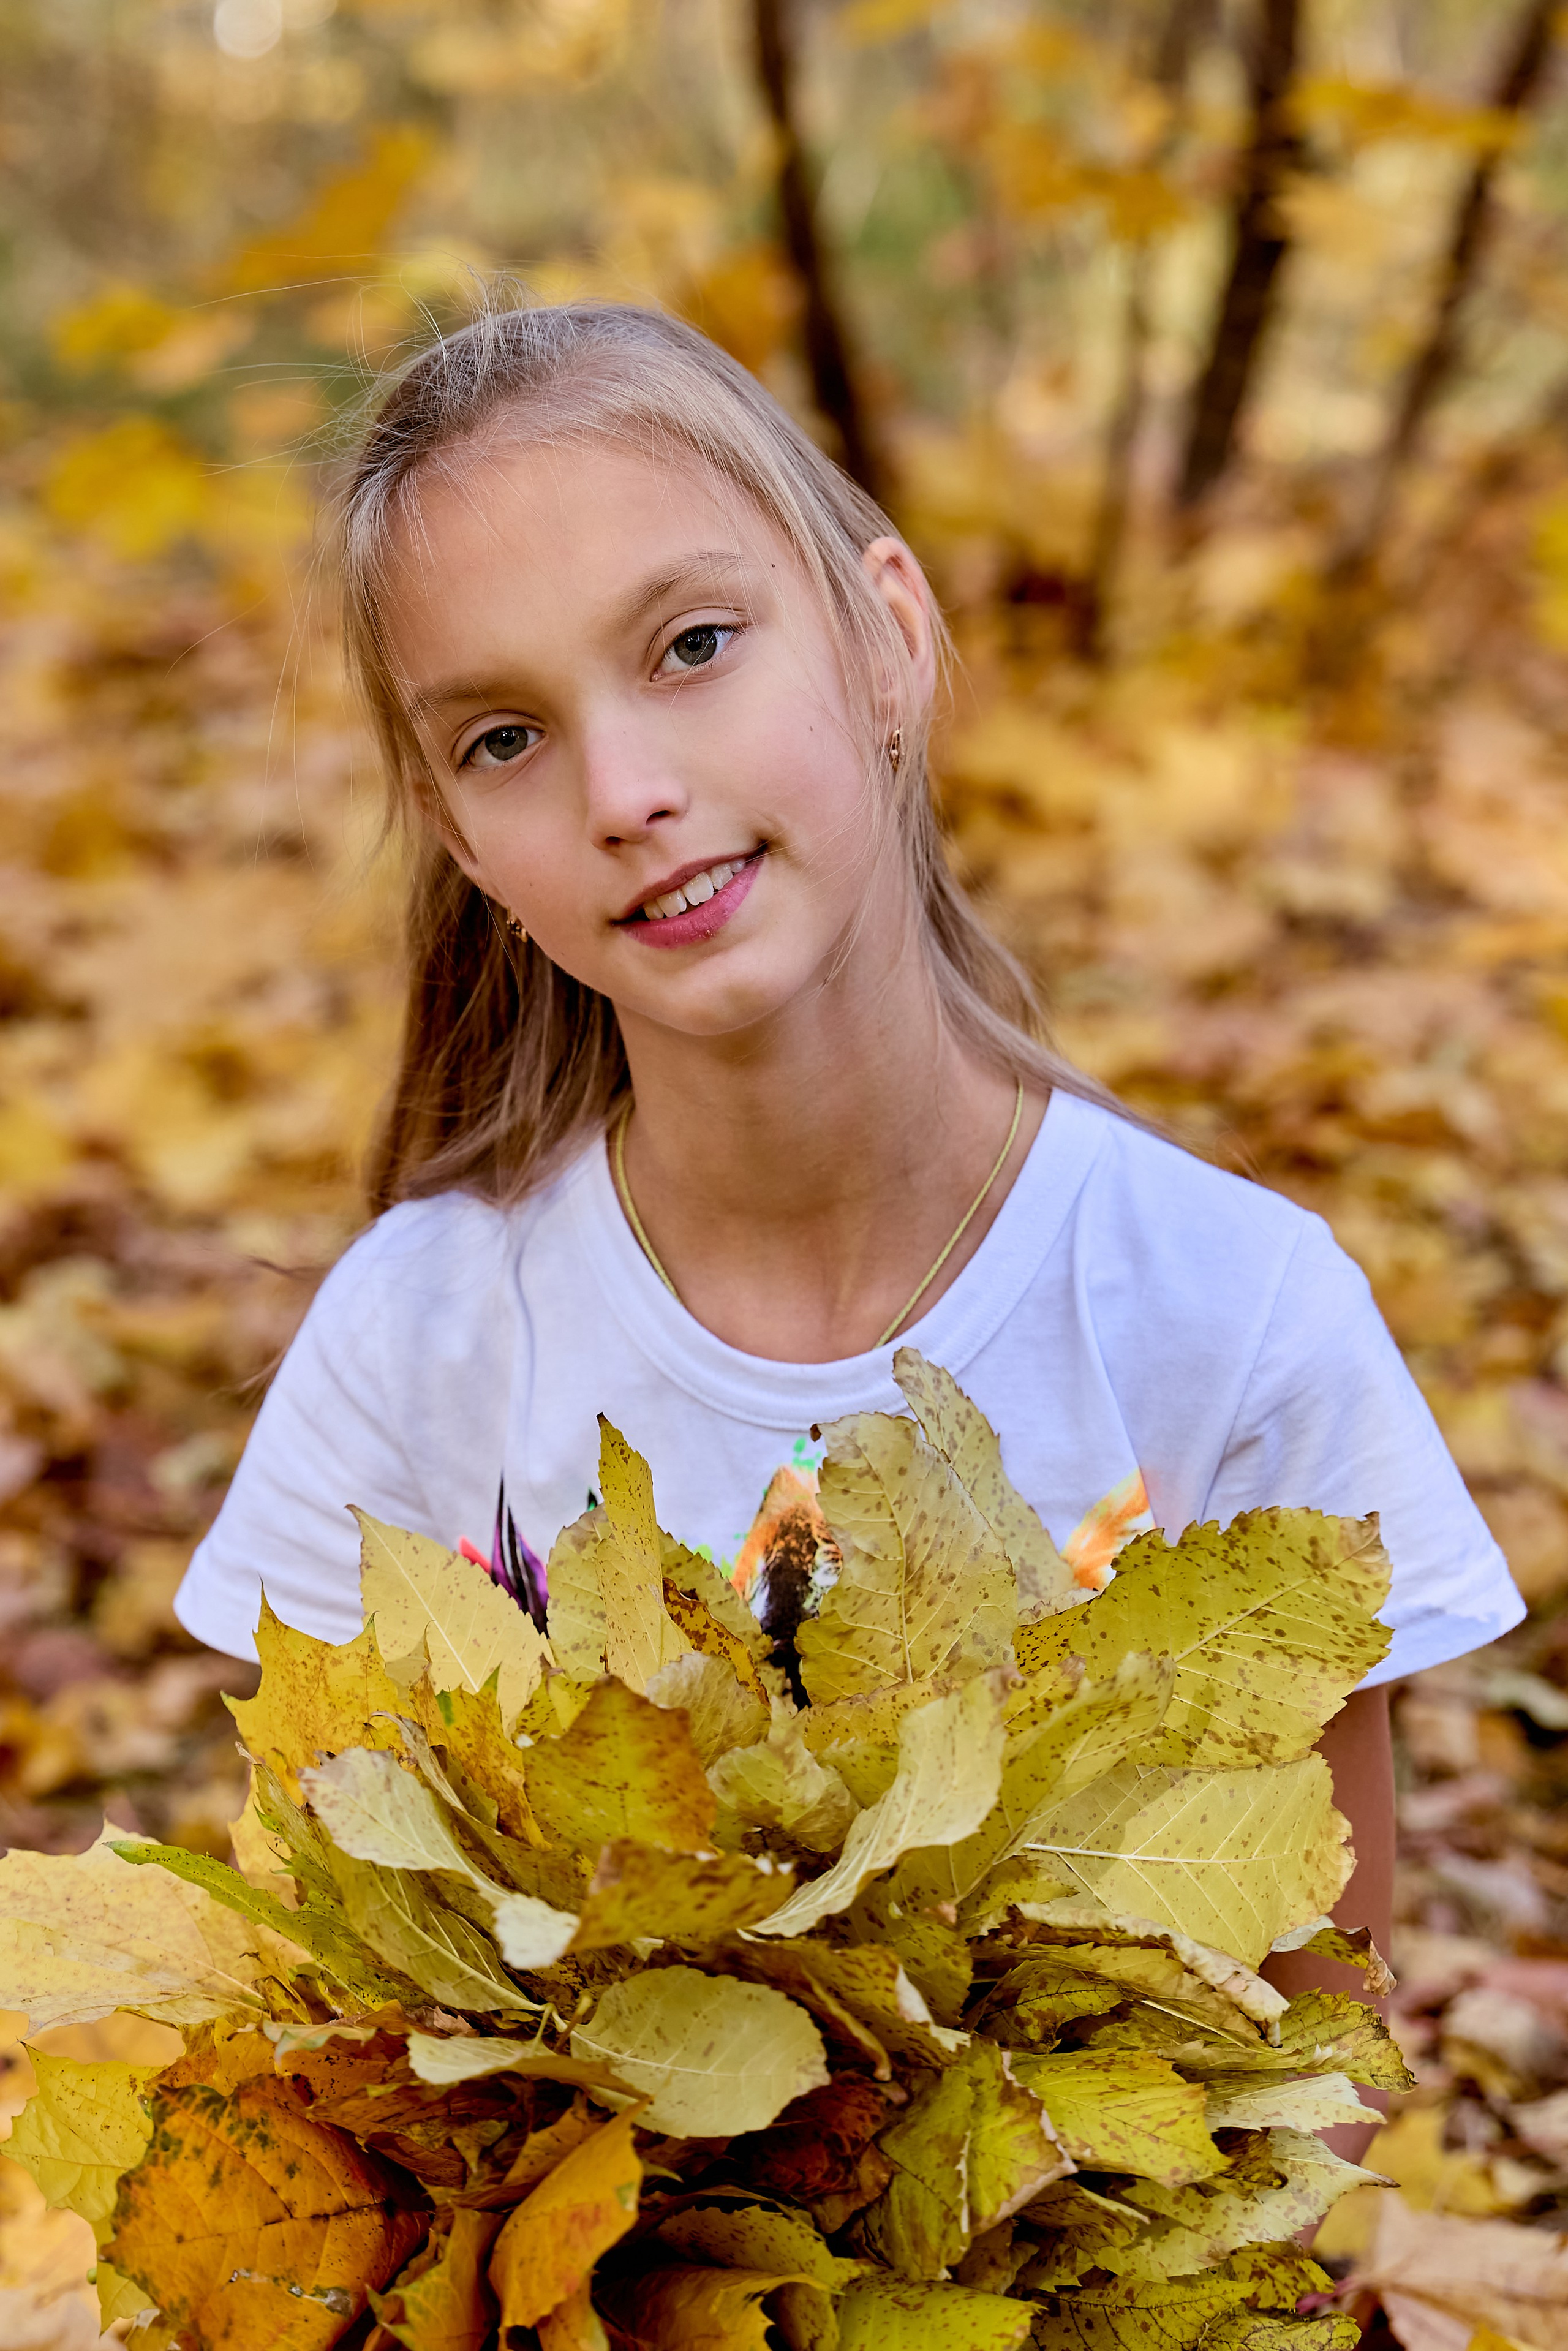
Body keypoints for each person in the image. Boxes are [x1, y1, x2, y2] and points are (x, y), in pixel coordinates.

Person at [176, 300, 1521, 2131]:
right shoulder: (421, 1340)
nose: (628, 791)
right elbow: (342, 2038)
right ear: (457, 834)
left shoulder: (1231, 1312)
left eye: (694, 645)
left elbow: (1317, 2065)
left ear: (888, 639)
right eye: (505, 738)